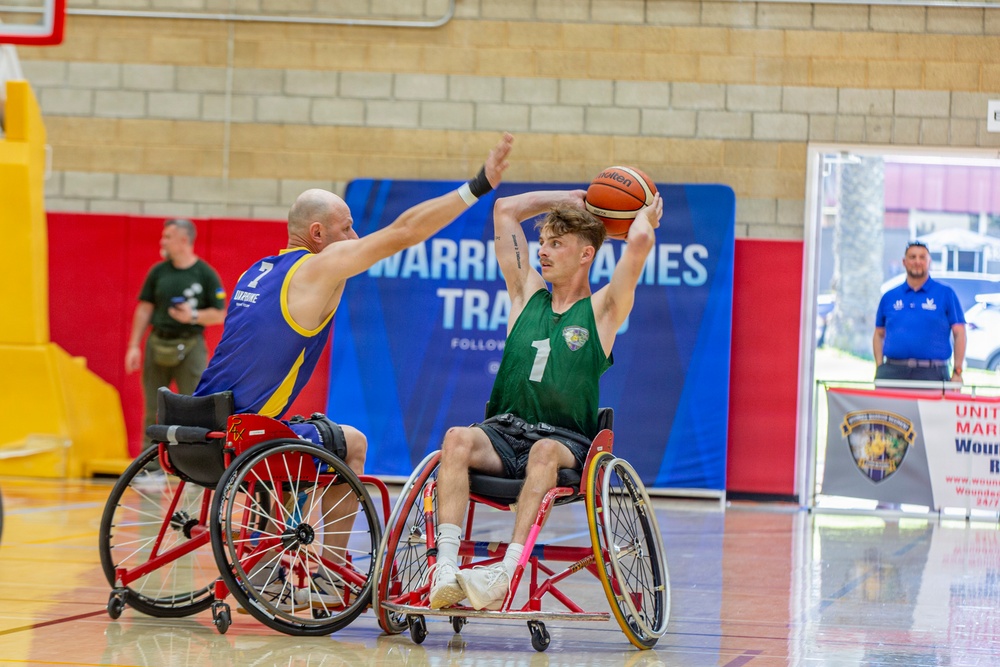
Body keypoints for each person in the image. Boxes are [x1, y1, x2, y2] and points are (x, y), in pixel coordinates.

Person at [193, 132, 514, 600]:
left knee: (292, 439)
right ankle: (326, 572)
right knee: (352, 443)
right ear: (317, 234)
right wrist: (478, 185)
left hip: (200, 424)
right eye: (346, 228)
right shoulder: (317, 268)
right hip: (241, 434)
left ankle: (265, 566)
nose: (355, 238)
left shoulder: (256, 269)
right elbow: (403, 232)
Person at [428, 186, 663, 611]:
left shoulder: (603, 309)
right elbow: (505, 209)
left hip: (564, 439)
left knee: (543, 451)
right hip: (505, 431)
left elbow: (641, 242)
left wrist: (644, 211)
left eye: (556, 244)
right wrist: (569, 197)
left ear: (586, 254)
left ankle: (506, 570)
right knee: (456, 438)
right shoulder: (524, 294)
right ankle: (444, 569)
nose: (544, 252)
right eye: (542, 243)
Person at [125, 218, 227, 448]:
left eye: (167, 237)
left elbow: (219, 314)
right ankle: (150, 468)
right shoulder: (158, 272)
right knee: (154, 408)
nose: (162, 241)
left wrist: (192, 316)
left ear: (183, 240)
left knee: (194, 407)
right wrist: (133, 345)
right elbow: (144, 309)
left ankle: (194, 467)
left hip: (190, 346)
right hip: (157, 342)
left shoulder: (205, 274)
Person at [873, 240, 966, 383]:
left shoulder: (945, 294)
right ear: (904, 262)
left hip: (932, 374)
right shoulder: (889, 297)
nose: (917, 261)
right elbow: (879, 334)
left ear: (929, 262)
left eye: (922, 257)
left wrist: (957, 371)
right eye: (912, 257)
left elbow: (959, 333)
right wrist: (880, 366)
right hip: (892, 372)